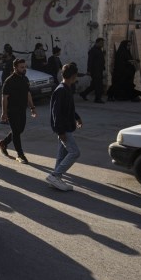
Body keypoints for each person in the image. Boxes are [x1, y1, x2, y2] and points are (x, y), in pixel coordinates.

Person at [47, 63, 83, 191]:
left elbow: (68, 109)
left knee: (61, 155)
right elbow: (56, 113)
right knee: (74, 152)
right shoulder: (61, 90)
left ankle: (55, 180)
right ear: (73, 76)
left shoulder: (67, 88)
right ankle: (54, 176)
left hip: (66, 126)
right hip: (63, 129)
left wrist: (77, 117)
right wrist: (60, 131)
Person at [0, 58, 37, 164]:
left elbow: (28, 94)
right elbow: (4, 98)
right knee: (16, 132)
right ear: (15, 68)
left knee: (20, 130)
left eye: (25, 67)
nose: (24, 69)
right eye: (22, 67)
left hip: (22, 109)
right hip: (12, 110)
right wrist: (4, 113)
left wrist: (32, 108)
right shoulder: (9, 81)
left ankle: (3, 143)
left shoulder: (25, 79)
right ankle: (20, 155)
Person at [80, 38, 106, 103]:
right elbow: (90, 61)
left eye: (102, 43)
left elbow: (100, 60)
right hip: (95, 71)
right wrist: (89, 70)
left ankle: (83, 93)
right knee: (98, 85)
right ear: (97, 43)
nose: (102, 44)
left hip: (99, 70)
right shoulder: (93, 50)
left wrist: (103, 67)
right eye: (101, 43)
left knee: (94, 85)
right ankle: (97, 99)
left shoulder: (99, 50)